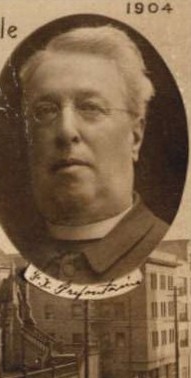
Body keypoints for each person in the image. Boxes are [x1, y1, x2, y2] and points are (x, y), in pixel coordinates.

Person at [19, 25, 169, 283]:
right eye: (45, 111)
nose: (66, 130)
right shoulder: (23, 255)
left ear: (135, 136)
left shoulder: (157, 245)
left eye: (90, 107)